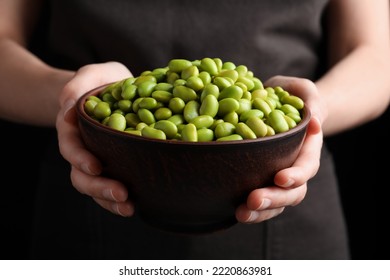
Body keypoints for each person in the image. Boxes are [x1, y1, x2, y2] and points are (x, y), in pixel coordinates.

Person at [0, 0, 389, 260]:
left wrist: (313, 112)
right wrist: (75, 101)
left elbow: (377, 56)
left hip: (287, 198)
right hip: (92, 192)